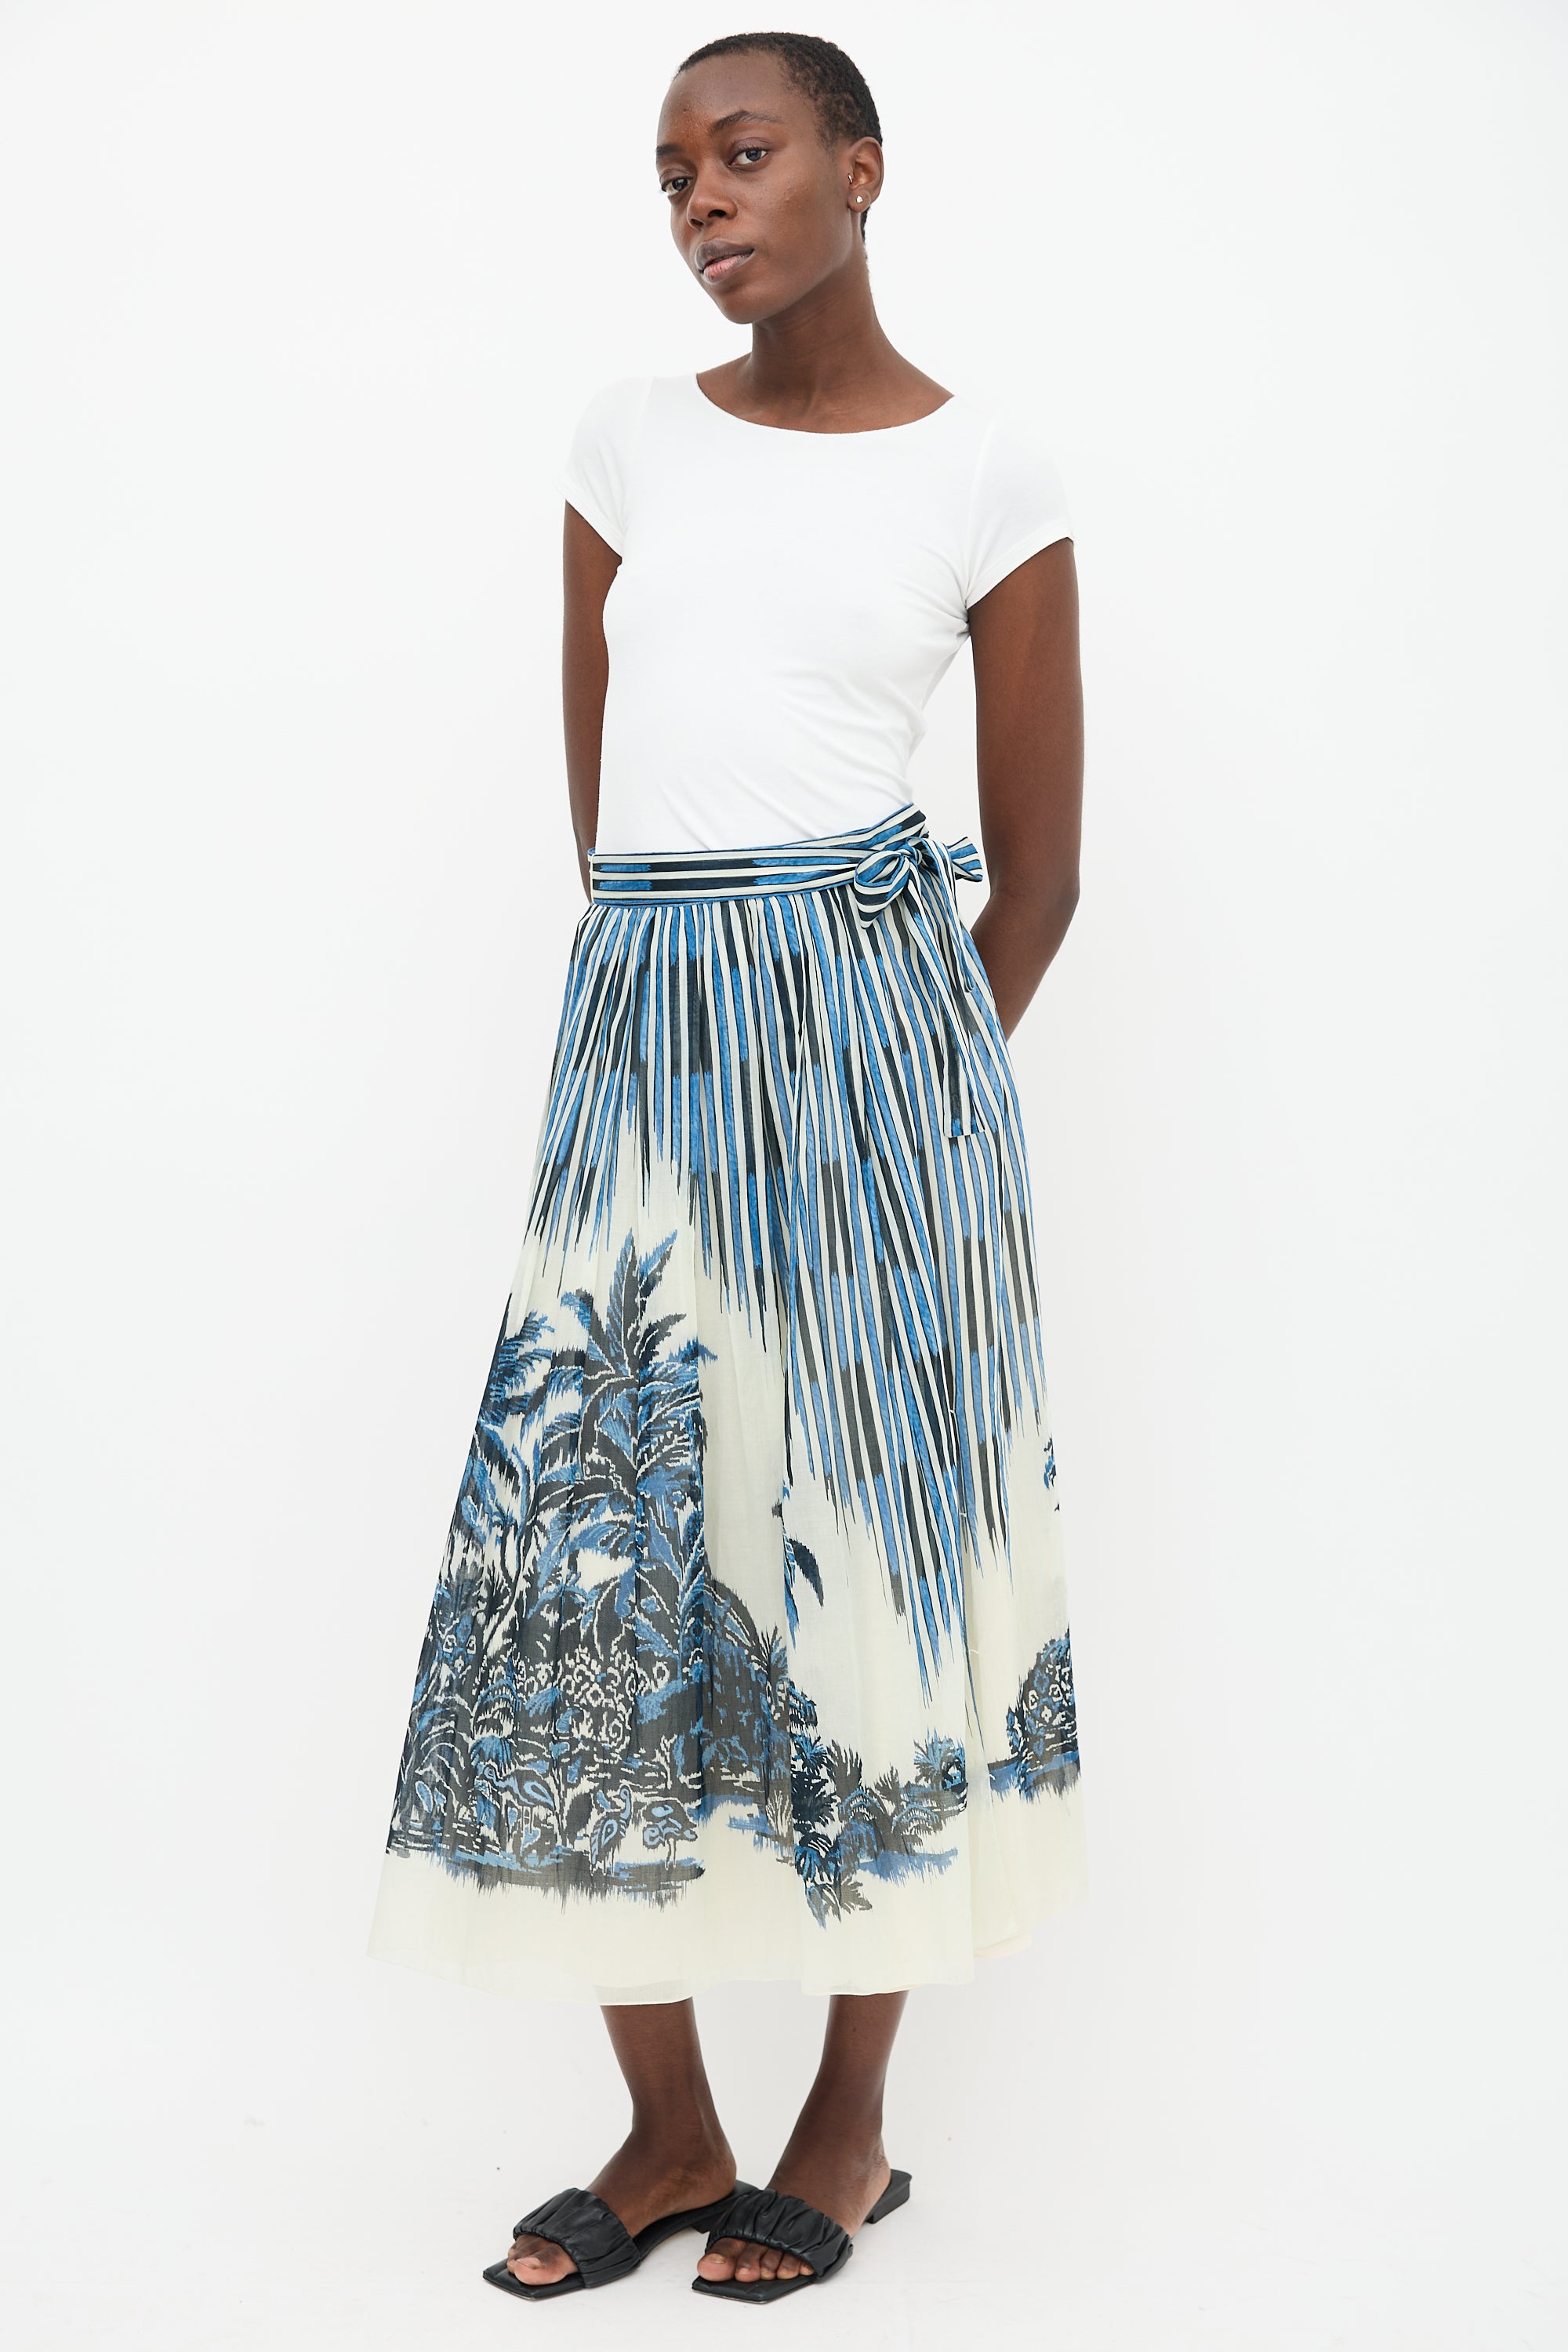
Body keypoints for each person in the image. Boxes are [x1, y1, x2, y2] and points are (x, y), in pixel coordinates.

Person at [366, 28, 1087, 2305]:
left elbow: (1044, 877)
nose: (702, 200)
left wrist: (897, 1109)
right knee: (588, 1574)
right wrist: (692, 1035)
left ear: (862, 170)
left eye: (746, 153)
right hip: (648, 1049)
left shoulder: (986, 468)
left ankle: (846, 2122)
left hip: (885, 1082)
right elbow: (616, 827)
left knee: (870, 1564)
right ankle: (670, 2128)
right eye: (671, 170)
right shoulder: (625, 443)